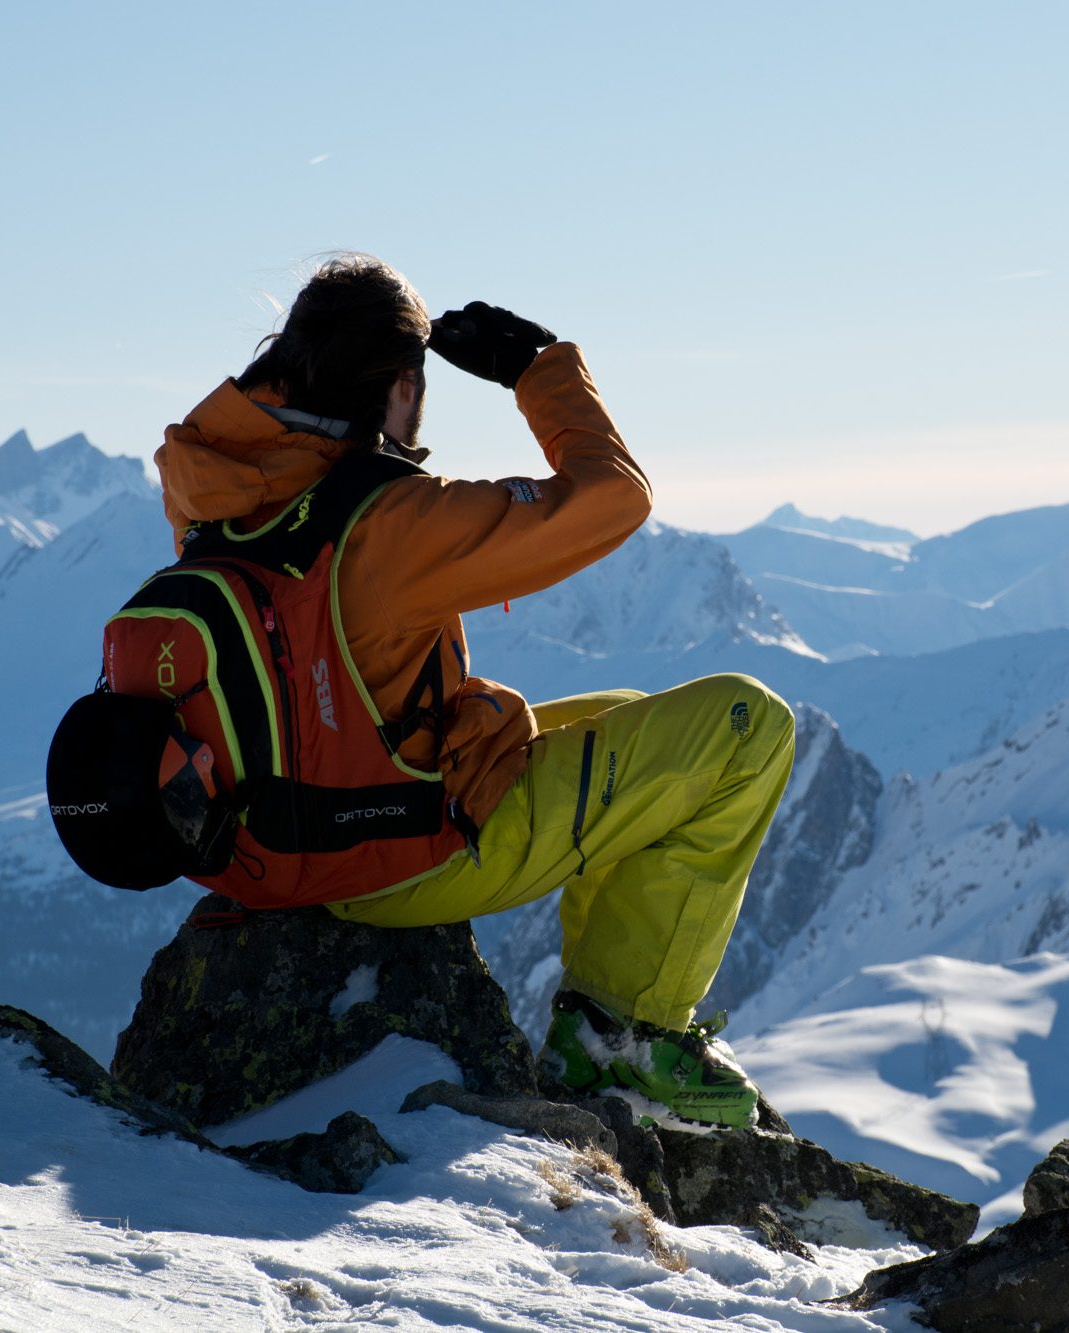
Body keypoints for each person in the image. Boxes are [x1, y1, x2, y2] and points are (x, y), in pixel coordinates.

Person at [152, 254, 794, 1128]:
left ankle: (611, 1020)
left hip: (263, 846)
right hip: (393, 857)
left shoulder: (208, 489)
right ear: (400, 389)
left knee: (619, 714)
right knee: (746, 726)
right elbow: (613, 499)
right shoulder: (391, 519)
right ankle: (623, 1038)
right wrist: (539, 370)